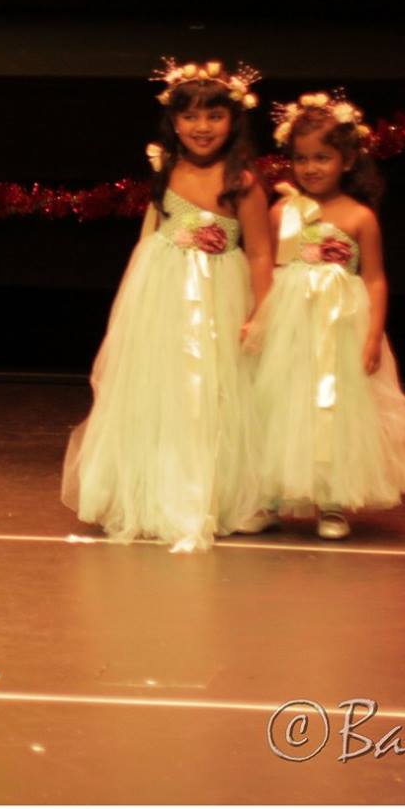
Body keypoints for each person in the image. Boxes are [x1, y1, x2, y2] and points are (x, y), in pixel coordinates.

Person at [62, 60, 274, 552]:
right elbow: (152, 233)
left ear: (234, 120)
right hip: (163, 291)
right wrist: (135, 301)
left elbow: (261, 253)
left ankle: (220, 494)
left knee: (214, 390)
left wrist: (261, 312)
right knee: (161, 390)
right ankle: (153, 490)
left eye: (214, 115)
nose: (202, 127)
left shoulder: (242, 181)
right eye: (191, 116)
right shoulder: (167, 170)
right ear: (174, 121)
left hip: (218, 294)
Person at [247, 93, 405, 539]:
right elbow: (266, 267)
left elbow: (375, 279)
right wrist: (259, 318)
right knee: (279, 406)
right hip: (290, 325)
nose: (310, 168)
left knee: (332, 407)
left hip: (339, 325)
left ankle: (331, 502)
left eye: (322, 158)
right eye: (301, 158)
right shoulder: (282, 210)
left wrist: (372, 336)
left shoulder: (359, 217)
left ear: (346, 160)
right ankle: (271, 498)